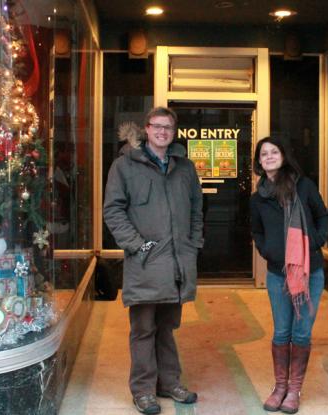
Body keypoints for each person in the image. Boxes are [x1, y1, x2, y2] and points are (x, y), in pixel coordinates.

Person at [103, 107, 204, 415]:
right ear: (146, 129)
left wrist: (193, 243)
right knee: (144, 328)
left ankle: (169, 382)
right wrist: (136, 245)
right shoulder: (124, 166)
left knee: (167, 326)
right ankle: (144, 390)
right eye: (157, 126)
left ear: (174, 132)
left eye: (168, 127)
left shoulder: (185, 168)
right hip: (145, 262)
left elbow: (197, 209)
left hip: (177, 264)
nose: (163, 132)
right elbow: (113, 211)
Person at [250, 136, 328, 414]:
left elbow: (323, 216)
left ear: (283, 156)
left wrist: (315, 242)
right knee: (282, 331)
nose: (269, 156)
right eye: (264, 154)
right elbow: (257, 231)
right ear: (259, 162)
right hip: (277, 273)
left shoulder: (303, 186)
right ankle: (280, 386)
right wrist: (267, 250)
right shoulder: (257, 199)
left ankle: (295, 390)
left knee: (302, 332)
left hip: (311, 271)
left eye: (274, 152)